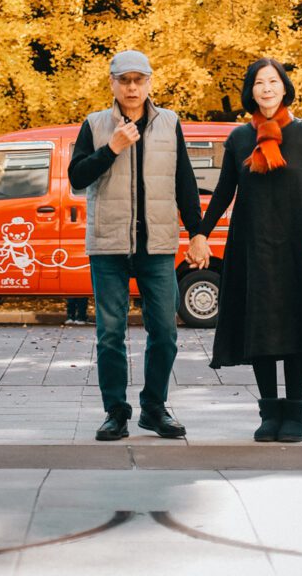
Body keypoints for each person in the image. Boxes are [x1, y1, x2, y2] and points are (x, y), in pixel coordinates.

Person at [68, 49, 210, 441]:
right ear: (112, 83)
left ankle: (153, 408)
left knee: (164, 331)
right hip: (109, 245)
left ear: (150, 83)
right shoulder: (95, 125)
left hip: (159, 244)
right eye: (124, 80)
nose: (132, 87)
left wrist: (197, 232)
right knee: (110, 333)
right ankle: (115, 411)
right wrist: (111, 148)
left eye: (139, 80)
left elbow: (185, 182)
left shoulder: (170, 123)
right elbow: (77, 178)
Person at [190, 58, 302, 443]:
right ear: (250, 91)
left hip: (296, 246)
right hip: (252, 245)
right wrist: (200, 233)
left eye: (273, 81)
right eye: (259, 82)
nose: (267, 88)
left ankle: (295, 413)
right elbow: (223, 192)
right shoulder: (238, 139)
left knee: (297, 324)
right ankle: (270, 411)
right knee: (263, 327)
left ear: (285, 88)